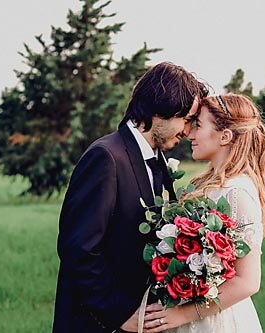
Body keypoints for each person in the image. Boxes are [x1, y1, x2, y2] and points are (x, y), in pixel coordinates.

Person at [53, 62, 208, 333]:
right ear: (162, 108)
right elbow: (78, 249)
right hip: (97, 324)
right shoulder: (106, 157)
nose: (187, 131)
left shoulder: (156, 160)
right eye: (186, 119)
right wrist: (119, 313)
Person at [142, 94, 265, 333]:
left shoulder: (237, 192)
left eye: (199, 126)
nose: (190, 134)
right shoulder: (208, 184)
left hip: (213, 321)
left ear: (225, 136)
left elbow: (248, 281)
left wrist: (182, 314)